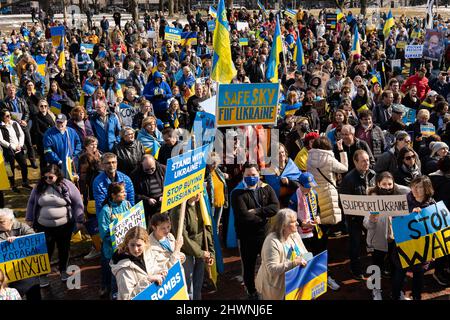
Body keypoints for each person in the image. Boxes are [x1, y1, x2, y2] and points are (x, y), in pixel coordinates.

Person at [25, 164, 84, 286]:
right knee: (45, 251)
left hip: (64, 226)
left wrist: (79, 220)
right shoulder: (39, 187)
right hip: (44, 226)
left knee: (64, 249)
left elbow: (78, 201)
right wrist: (29, 218)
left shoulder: (67, 185)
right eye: (45, 177)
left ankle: (63, 270)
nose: (47, 180)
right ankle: (43, 275)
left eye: (50, 177)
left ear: (57, 175)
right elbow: (31, 203)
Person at [230, 163, 279, 300]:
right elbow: (244, 216)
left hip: (265, 234)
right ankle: (251, 292)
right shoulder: (237, 193)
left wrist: (257, 211)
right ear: (243, 176)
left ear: (259, 175)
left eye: (253, 175)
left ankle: (269, 289)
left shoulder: (266, 188)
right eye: (248, 175)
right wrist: (264, 214)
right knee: (249, 266)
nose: (251, 177)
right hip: (246, 237)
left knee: (269, 263)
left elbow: (275, 208)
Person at [289, 171, 341, 290]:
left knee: (321, 254)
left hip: (315, 230)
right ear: (300, 185)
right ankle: (307, 283)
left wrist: (317, 216)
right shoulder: (293, 198)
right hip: (301, 234)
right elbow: (291, 216)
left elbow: (317, 209)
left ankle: (326, 277)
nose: (310, 189)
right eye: (307, 187)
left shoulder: (314, 194)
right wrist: (302, 223)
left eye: (311, 186)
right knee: (306, 257)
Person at [362, 171, 410, 300]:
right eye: (384, 184)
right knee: (376, 267)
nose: (387, 187)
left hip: (396, 240)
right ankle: (376, 291)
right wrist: (372, 218)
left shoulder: (399, 197)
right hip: (377, 241)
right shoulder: (371, 199)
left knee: (396, 267)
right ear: (378, 184)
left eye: (390, 184)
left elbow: (409, 190)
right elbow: (366, 225)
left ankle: (397, 291)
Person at [391, 176, 435, 300]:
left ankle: (416, 297)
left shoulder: (432, 204)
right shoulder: (403, 201)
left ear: (426, 189)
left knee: (419, 276)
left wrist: (433, 250)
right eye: (413, 186)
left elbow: (435, 230)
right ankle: (395, 296)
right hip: (405, 247)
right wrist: (410, 215)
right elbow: (394, 221)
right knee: (399, 273)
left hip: (422, 249)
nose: (415, 190)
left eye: (419, 187)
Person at [255, 208, 309, 300]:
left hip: (293, 284)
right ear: (283, 225)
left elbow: (305, 253)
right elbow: (272, 269)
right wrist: (294, 263)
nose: (297, 223)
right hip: (276, 288)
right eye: (293, 222)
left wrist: (309, 260)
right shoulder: (272, 241)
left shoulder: (294, 235)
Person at [339, 150, 376, 280]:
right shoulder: (348, 179)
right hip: (355, 218)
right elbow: (342, 202)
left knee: (372, 242)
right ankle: (355, 268)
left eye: (367, 160)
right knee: (355, 244)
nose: (367, 163)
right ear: (355, 162)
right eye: (363, 161)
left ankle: (375, 267)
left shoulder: (373, 174)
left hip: (370, 216)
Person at [171, 193, 215, 300]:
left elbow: (207, 230)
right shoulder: (178, 210)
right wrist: (201, 253)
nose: (197, 194)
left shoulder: (201, 205)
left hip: (201, 251)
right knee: (188, 285)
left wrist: (211, 253)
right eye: (194, 191)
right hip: (187, 253)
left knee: (197, 285)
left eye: (199, 190)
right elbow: (183, 238)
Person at [110, 226, 168, 300]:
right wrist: (148, 280)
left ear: (145, 243)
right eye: (132, 245)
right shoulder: (123, 269)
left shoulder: (147, 253)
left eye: (139, 245)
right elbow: (127, 298)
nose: (135, 249)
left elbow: (153, 269)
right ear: (127, 243)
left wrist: (160, 272)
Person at [98, 182, 132, 299]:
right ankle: (110, 293)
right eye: (122, 192)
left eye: (124, 191)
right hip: (110, 250)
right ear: (113, 195)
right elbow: (104, 234)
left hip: (126, 248)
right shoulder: (106, 211)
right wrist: (116, 239)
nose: (125, 194)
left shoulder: (127, 205)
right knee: (110, 275)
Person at [0, 208, 39, 300]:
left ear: (11, 220)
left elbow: (34, 238)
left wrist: (18, 240)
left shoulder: (22, 226)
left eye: (1, 222)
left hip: (28, 270)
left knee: (34, 294)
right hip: (9, 274)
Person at [1, 83, 37, 168]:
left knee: (29, 143)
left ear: (15, 91)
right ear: (6, 91)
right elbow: (4, 114)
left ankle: (33, 161)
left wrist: (25, 120)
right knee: (17, 144)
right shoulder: (3, 103)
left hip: (23, 124)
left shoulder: (21, 100)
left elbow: (27, 112)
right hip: (12, 125)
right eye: (9, 90)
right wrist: (11, 121)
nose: (11, 91)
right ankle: (22, 162)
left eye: (13, 89)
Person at [78, 136, 102, 260]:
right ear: (86, 146)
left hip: (101, 188)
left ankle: (100, 244)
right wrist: (83, 193)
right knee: (92, 219)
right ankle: (96, 246)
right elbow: (83, 176)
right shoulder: (83, 158)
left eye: (95, 144)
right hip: (89, 191)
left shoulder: (100, 155)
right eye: (91, 145)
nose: (94, 147)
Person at [0, 109, 31, 192]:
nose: (9, 117)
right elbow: (1, 140)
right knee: (10, 168)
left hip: (18, 148)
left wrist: (20, 145)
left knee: (24, 165)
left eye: (10, 115)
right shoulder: (1, 126)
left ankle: (25, 182)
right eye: (7, 116)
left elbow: (21, 134)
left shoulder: (15, 123)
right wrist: (13, 147)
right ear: (2, 117)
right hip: (8, 151)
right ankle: (13, 185)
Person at [43, 113, 82, 180]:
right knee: (59, 181)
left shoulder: (71, 131)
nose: (60, 124)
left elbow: (78, 143)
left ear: (66, 122)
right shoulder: (49, 133)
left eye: (62, 122)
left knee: (72, 181)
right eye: (58, 122)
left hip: (71, 162)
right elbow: (48, 150)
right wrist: (58, 161)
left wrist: (74, 155)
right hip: (56, 164)